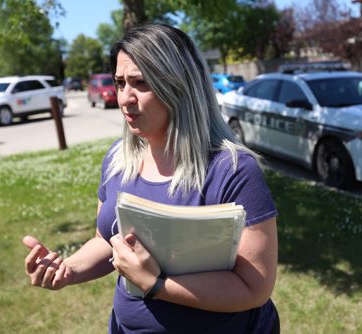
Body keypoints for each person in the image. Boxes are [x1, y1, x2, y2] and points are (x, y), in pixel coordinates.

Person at [22, 23, 279, 333]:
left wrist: (156, 285)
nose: (124, 98)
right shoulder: (118, 159)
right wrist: (67, 269)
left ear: (180, 85)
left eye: (140, 82)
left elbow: (254, 287)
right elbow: (106, 240)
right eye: (119, 83)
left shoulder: (233, 170)